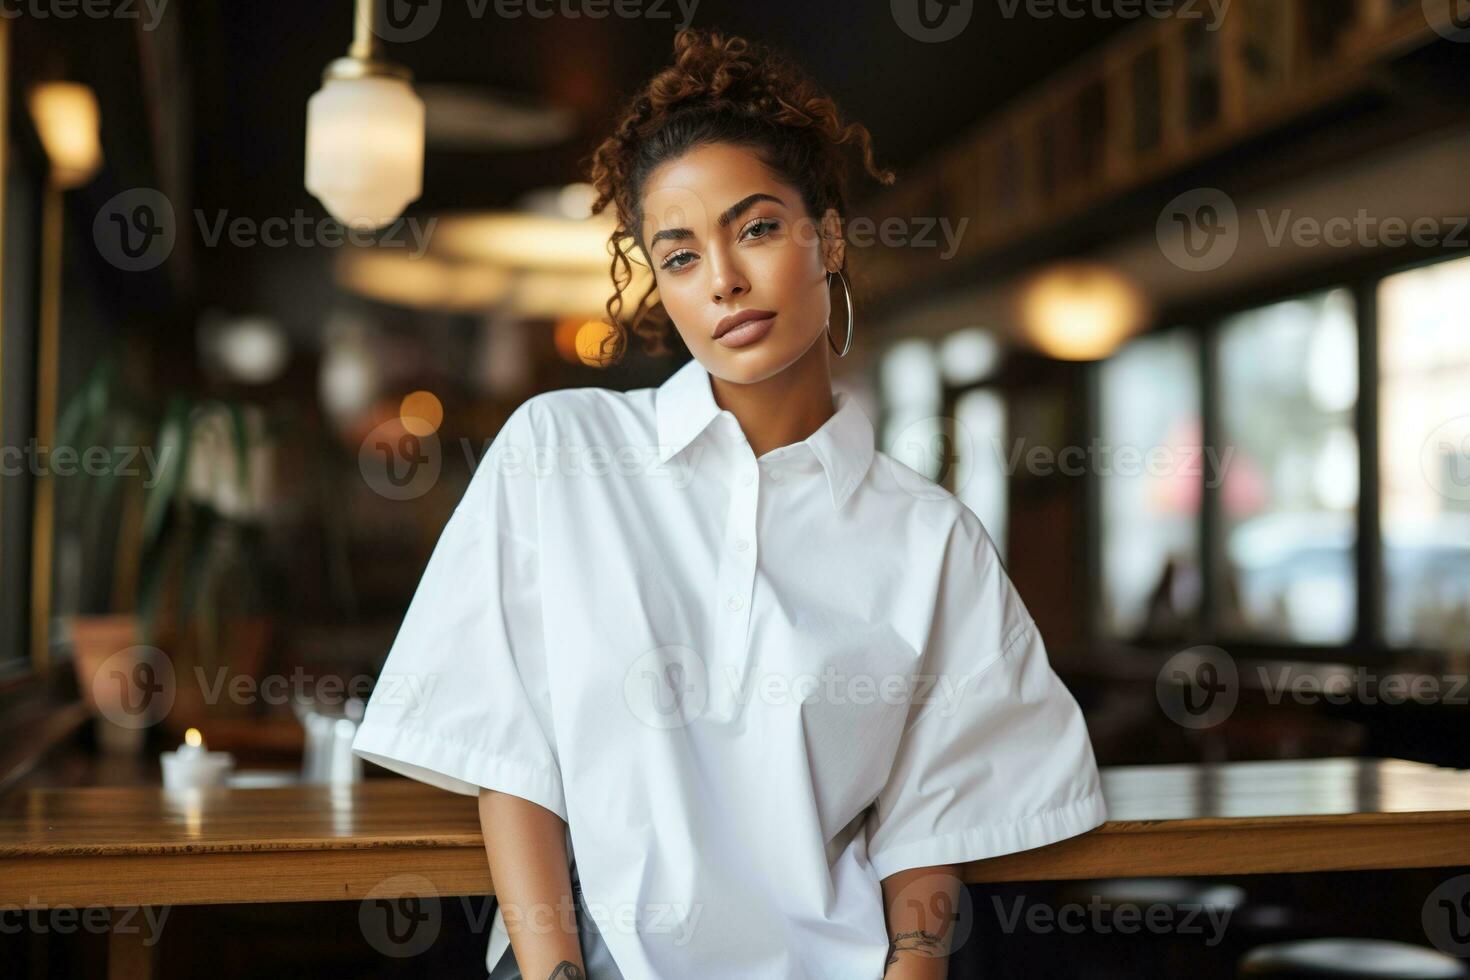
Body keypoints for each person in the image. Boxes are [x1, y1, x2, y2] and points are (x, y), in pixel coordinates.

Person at [352, 27, 1107, 980]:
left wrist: (914, 969)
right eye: (678, 255)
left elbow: (929, 823)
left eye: (755, 228)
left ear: (827, 238)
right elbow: (513, 755)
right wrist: (553, 974)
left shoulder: (931, 538)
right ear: (657, 285)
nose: (723, 281)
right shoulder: (561, 450)